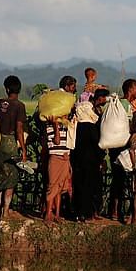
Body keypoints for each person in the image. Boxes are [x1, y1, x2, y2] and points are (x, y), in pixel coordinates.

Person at [0, 75, 28, 221]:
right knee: (11, 177)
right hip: (10, 142)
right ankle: (6, 211)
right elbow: (19, 129)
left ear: (7, 89)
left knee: (1, 176)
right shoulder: (19, 105)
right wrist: (24, 150)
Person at [43, 76, 77, 222]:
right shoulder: (51, 126)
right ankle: (48, 214)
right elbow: (56, 141)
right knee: (52, 187)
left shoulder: (65, 124)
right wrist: (55, 125)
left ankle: (56, 214)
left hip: (64, 157)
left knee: (60, 188)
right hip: (56, 158)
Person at [72, 89, 109, 222]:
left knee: (80, 186)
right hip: (90, 162)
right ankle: (88, 214)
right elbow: (96, 144)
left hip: (79, 160)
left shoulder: (78, 126)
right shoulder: (90, 127)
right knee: (90, 187)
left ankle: (81, 213)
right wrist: (101, 158)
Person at [107, 79, 136, 221]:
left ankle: (116, 210)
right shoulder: (125, 105)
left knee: (119, 179)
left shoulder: (122, 103)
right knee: (119, 179)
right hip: (121, 146)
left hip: (117, 145)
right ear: (130, 90)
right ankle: (115, 210)